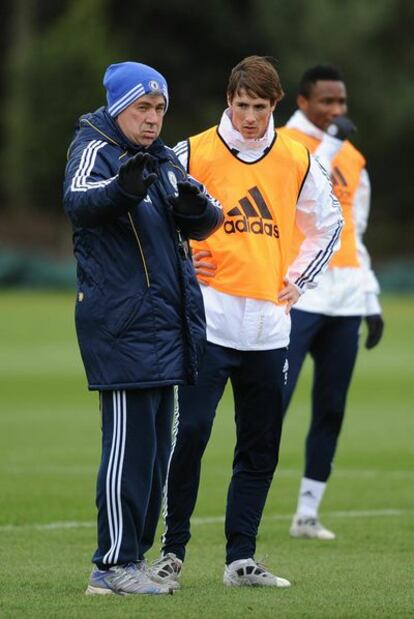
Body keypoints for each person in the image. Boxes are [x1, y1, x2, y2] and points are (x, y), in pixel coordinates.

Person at [149, 56, 343, 589]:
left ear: (274, 105)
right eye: (241, 105)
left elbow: (330, 223)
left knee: (259, 446)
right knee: (190, 434)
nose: (250, 116)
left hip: (269, 328)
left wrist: (300, 279)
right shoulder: (193, 151)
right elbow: (149, 211)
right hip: (205, 323)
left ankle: (241, 560)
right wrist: (182, 255)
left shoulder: (297, 158)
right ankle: (171, 554)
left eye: (259, 107)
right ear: (228, 100)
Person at [63, 61, 223, 596]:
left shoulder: (160, 158)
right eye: (143, 108)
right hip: (123, 324)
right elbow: (81, 203)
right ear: (118, 107)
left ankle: (133, 560)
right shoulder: (94, 148)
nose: (153, 119)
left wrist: (196, 210)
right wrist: (124, 188)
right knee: (127, 450)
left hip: (165, 327)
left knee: (154, 456)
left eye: (159, 109)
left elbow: (211, 215)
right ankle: (111, 565)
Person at [277, 65, 384, 540]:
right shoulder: (282, 144)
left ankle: (307, 513)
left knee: (332, 406)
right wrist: (334, 142)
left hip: (345, 298)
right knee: (273, 403)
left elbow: (355, 232)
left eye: (341, 102)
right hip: (299, 292)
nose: (337, 111)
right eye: (327, 102)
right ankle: (249, 505)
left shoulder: (354, 158)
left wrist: (371, 296)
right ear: (302, 102)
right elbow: (298, 189)